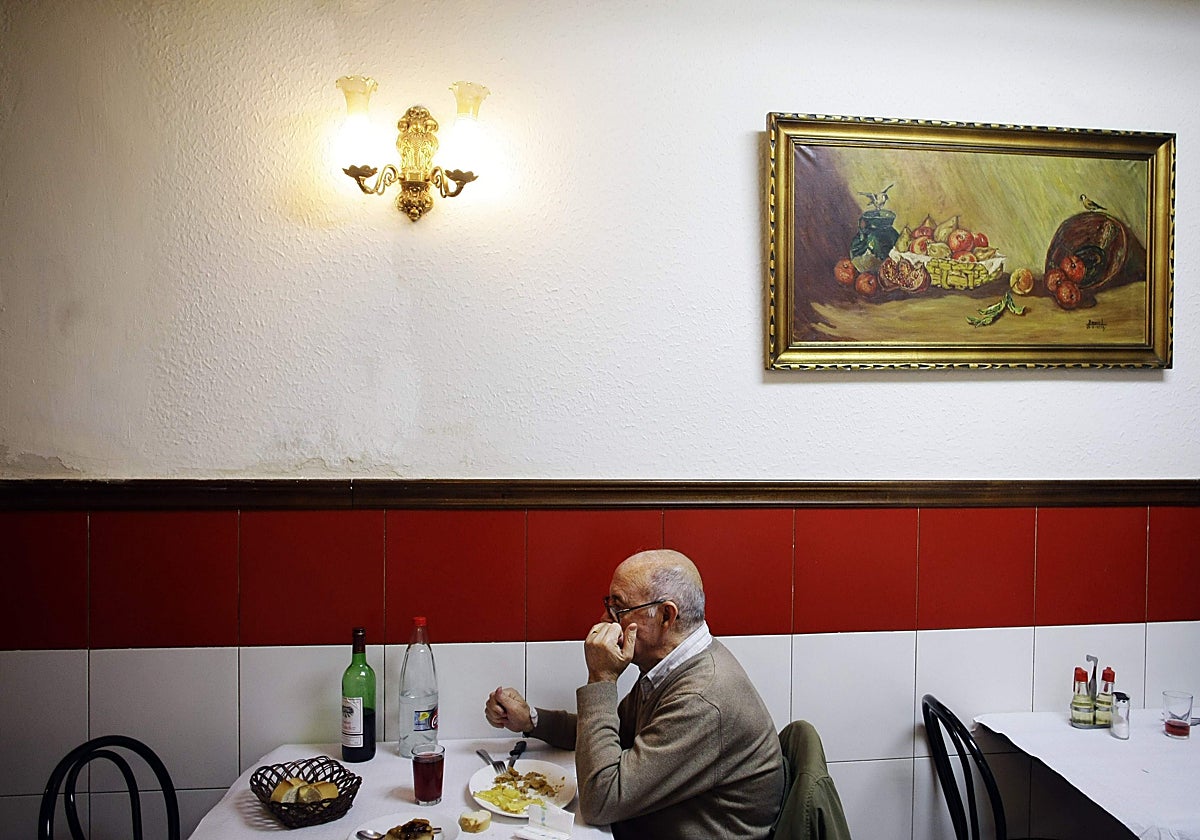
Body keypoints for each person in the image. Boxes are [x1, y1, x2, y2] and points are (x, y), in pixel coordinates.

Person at [485, 549, 784, 839]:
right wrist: (531, 721)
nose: (605, 619)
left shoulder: (702, 698)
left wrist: (601, 678)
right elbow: (611, 733)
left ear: (666, 616)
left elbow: (600, 799)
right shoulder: (669, 666)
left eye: (619, 609)